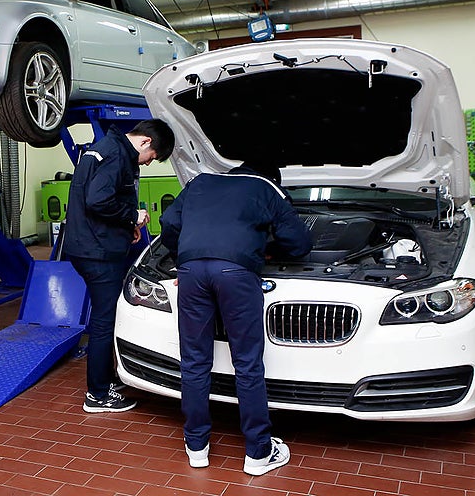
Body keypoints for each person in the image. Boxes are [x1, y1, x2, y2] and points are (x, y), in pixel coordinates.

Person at [159, 160, 311, 476]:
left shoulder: (200, 182)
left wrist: (182, 259)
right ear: (271, 177)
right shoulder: (265, 187)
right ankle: (258, 453)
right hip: (236, 273)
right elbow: (299, 243)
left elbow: (169, 221)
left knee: (194, 361)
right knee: (247, 362)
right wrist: (266, 247)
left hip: (191, 272)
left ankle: (196, 447)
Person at [65, 119, 176, 413]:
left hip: (88, 244)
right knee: (105, 320)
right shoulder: (116, 154)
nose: (148, 163)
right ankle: (98, 395)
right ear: (145, 142)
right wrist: (132, 216)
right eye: (151, 157)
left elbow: (99, 199)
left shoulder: (105, 147)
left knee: (104, 316)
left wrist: (126, 227)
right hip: (97, 252)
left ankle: (107, 379)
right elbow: (98, 201)